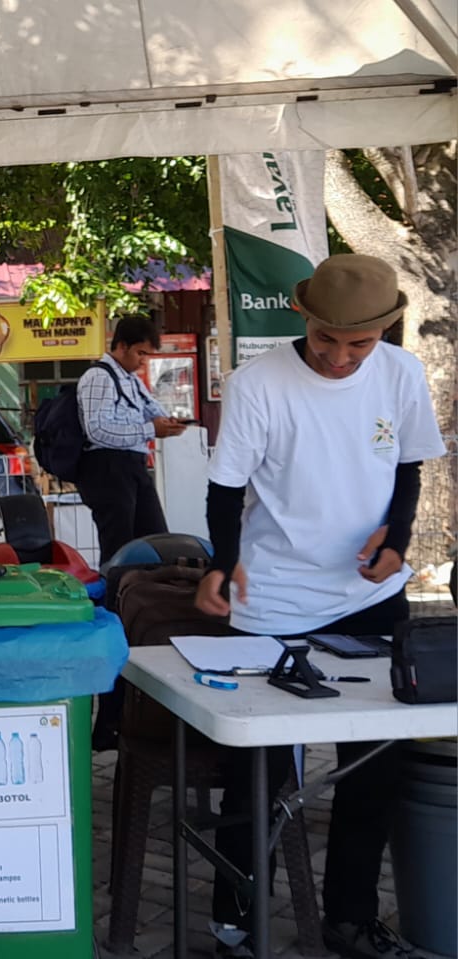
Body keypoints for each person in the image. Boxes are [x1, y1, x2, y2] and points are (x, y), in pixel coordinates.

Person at [194, 254, 446, 959]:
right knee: (258, 776)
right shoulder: (257, 384)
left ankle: (350, 917)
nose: (339, 358)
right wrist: (222, 563)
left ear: (385, 331)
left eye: (357, 344)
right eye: (326, 339)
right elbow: (224, 490)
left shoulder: (401, 375)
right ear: (304, 316)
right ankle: (239, 924)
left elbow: (407, 467)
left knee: (373, 768)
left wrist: (396, 540)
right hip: (272, 599)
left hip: (371, 594)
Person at [75, 314, 187, 564]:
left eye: (147, 355)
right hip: (107, 467)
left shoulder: (131, 380)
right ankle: (115, 598)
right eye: (140, 353)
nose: (142, 361)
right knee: (118, 544)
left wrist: (169, 423)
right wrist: (149, 430)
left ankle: (149, 595)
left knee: (155, 539)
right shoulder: (99, 377)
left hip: (133, 464)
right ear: (122, 346)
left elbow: (151, 409)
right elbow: (98, 430)